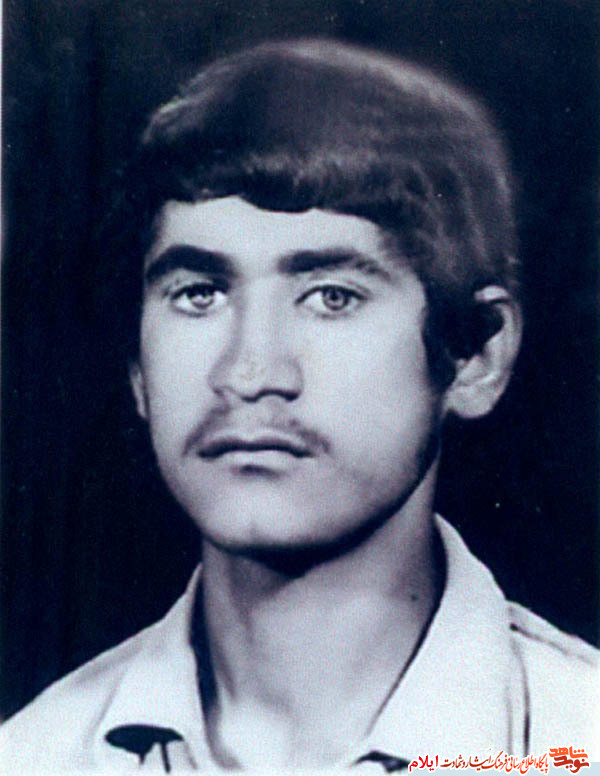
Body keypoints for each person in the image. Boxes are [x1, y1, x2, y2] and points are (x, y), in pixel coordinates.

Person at [1, 39, 597, 773]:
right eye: (199, 294)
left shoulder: (577, 741)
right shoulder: (34, 756)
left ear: (476, 354)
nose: (249, 372)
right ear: (138, 367)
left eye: (332, 297)